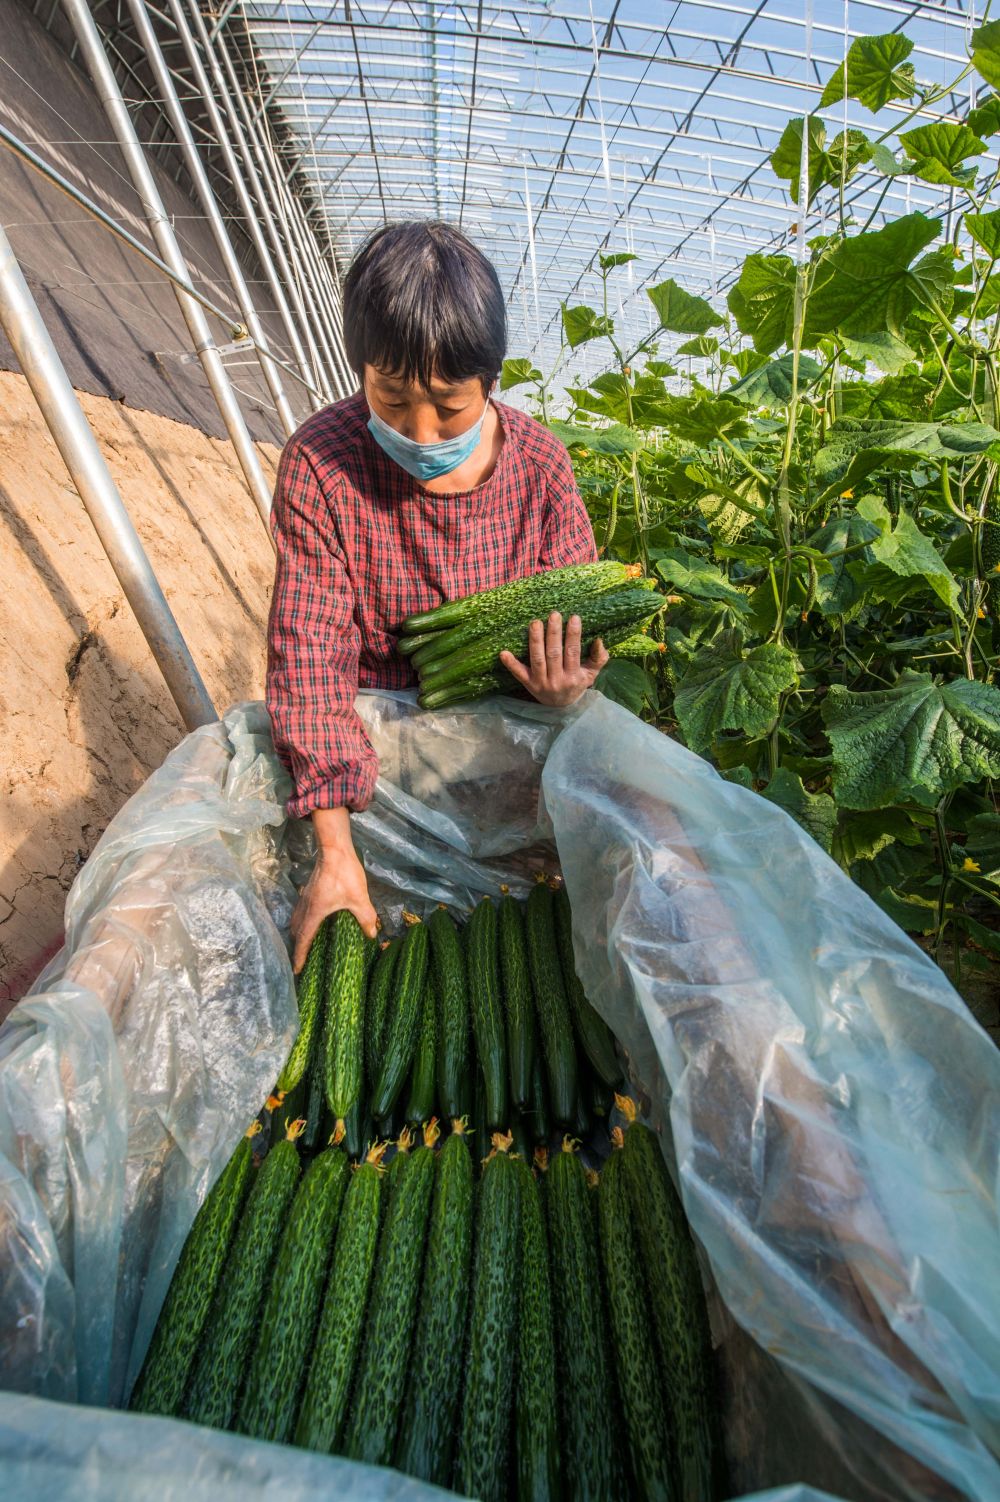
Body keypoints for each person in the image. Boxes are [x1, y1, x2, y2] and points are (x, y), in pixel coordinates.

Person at [266, 220, 607, 972]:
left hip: (502, 756)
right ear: (359, 368)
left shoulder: (542, 466)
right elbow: (311, 659)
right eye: (390, 399)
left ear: (493, 379)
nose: (420, 433)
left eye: (449, 408)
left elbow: (576, 634)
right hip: (370, 759)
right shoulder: (320, 463)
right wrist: (334, 853)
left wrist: (566, 688)